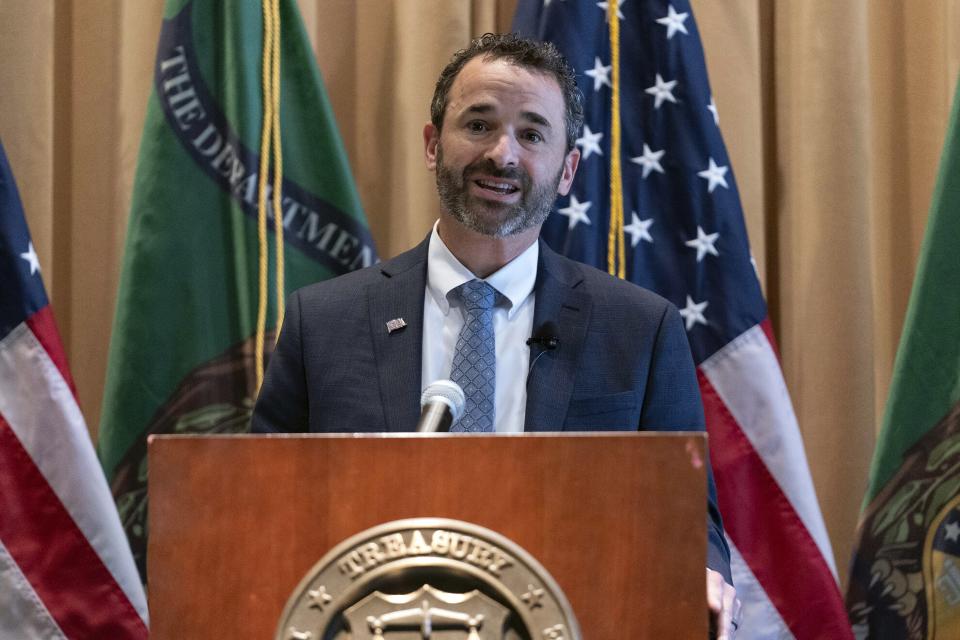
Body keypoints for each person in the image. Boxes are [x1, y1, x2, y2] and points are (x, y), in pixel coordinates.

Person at [253, 33, 741, 638]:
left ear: (567, 171)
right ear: (433, 145)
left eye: (532, 134)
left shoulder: (640, 329)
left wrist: (699, 571)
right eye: (478, 125)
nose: (503, 155)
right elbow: (265, 511)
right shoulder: (322, 322)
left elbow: (690, 520)